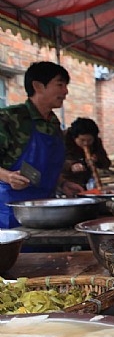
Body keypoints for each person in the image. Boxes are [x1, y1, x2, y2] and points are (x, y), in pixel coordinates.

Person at [0, 61, 84, 228]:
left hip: (47, 210)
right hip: (10, 212)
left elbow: (46, 167)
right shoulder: (10, 118)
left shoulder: (53, 123)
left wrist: (62, 183)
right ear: (38, 86)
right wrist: (8, 177)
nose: (65, 91)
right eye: (60, 85)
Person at [61, 117, 112, 189]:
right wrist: (71, 166)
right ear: (74, 137)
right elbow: (53, 162)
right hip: (64, 183)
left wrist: (97, 159)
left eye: (89, 140)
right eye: (82, 140)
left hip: (84, 182)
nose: (86, 143)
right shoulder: (61, 139)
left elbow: (106, 163)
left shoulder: (96, 142)